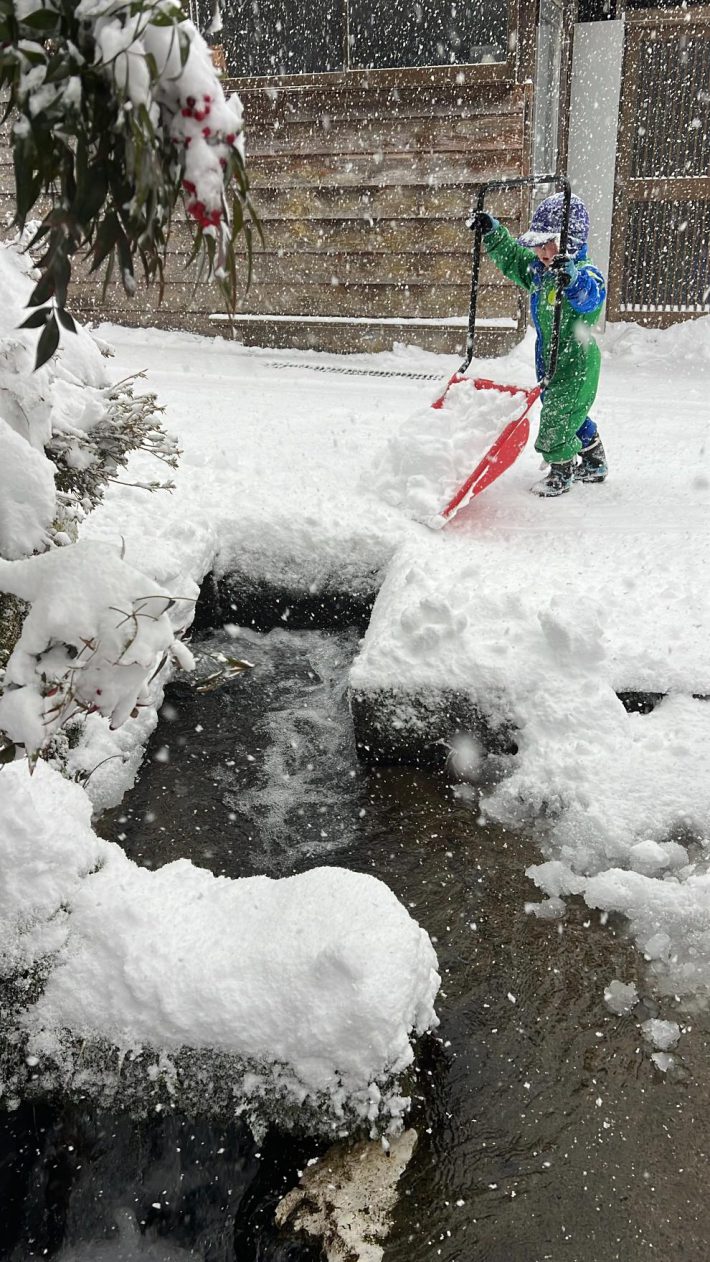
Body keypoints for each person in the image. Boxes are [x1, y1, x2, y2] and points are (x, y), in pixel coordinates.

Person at [469, 192, 607, 497]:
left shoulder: (585, 274)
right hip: (550, 358)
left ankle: (561, 471)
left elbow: (591, 301)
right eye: (539, 245)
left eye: (550, 244)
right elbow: (512, 258)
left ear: (571, 243)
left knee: (557, 420)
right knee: (570, 414)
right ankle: (595, 461)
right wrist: (492, 231)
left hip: (577, 363)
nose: (543, 252)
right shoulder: (540, 271)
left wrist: (572, 281)